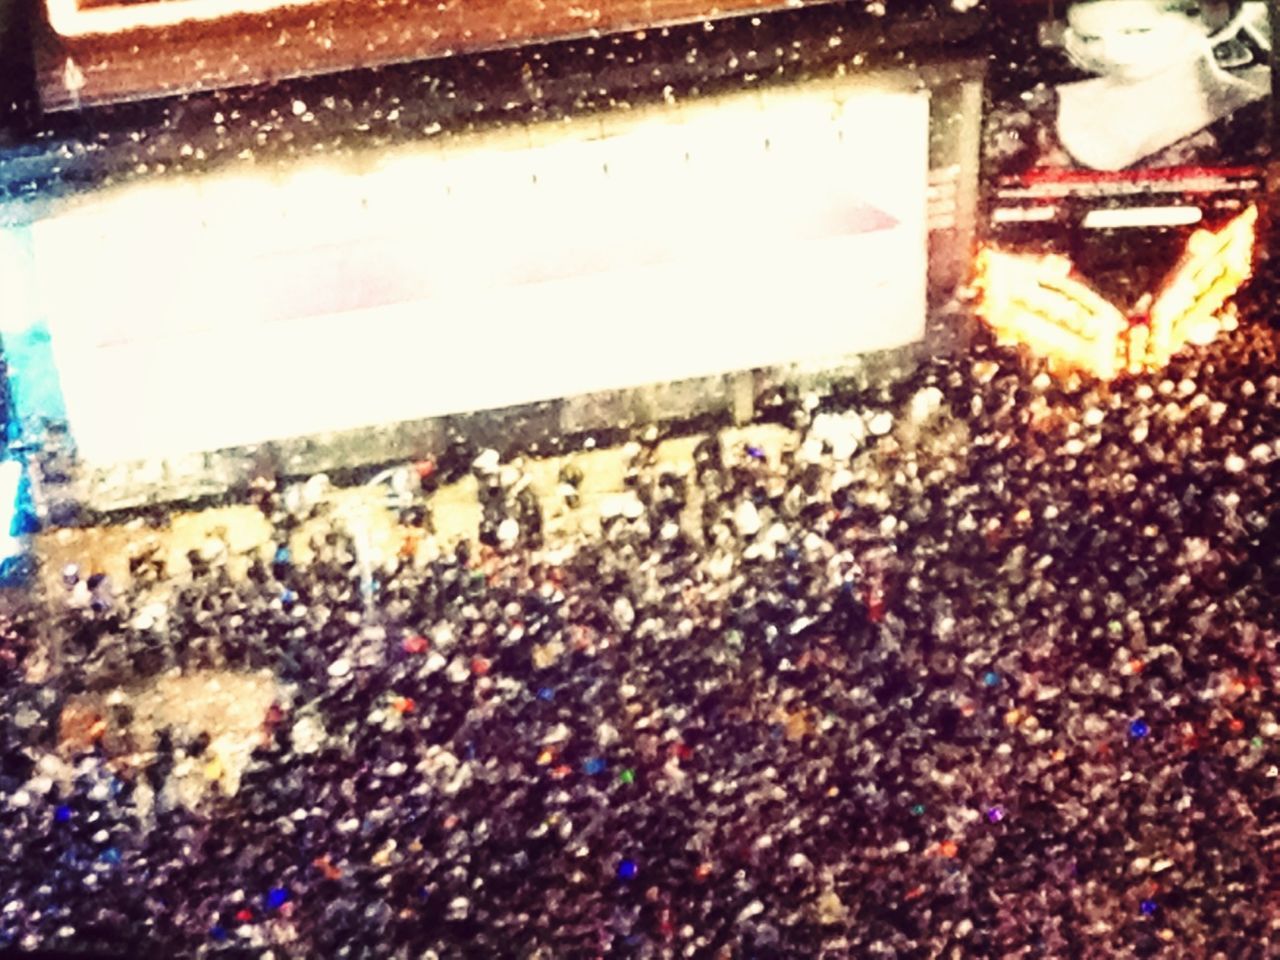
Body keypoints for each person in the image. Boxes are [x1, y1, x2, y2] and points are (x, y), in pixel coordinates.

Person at [989, 0, 1271, 173]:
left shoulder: (1260, 121)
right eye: (1090, 38)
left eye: (1137, 32)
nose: (1111, 53)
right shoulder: (1026, 119)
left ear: (1212, 15)